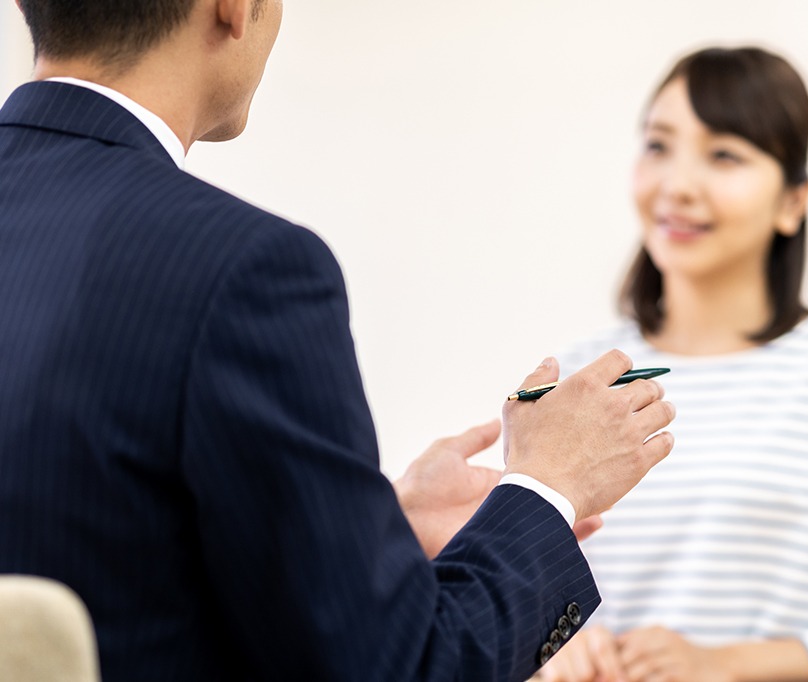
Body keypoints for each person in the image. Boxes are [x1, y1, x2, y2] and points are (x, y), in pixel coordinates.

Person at [0, 1, 677, 680]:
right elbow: (403, 668)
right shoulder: (245, 268)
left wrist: (368, 533)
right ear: (235, 8)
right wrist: (548, 487)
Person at [537, 47, 808, 682]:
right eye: (658, 145)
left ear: (794, 201)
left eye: (725, 155)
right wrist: (552, 644)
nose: (677, 185)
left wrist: (724, 665)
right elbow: (516, 598)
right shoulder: (577, 375)